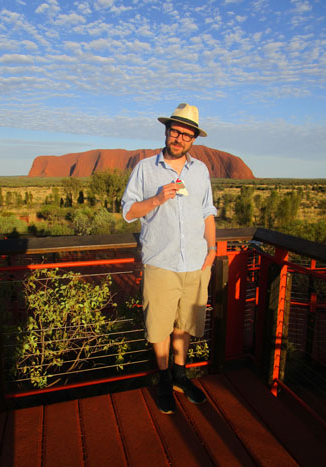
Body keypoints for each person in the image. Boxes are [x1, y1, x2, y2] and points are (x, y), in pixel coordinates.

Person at [121, 103, 217, 414]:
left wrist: (213, 249)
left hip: (194, 262)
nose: (179, 138)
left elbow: (207, 213)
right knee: (159, 326)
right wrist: (157, 198)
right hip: (160, 261)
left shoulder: (200, 171)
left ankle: (180, 375)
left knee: (184, 325)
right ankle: (163, 379)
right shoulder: (145, 169)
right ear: (166, 131)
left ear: (193, 140)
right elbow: (128, 212)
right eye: (175, 131)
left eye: (186, 135)